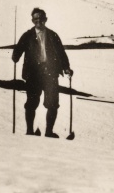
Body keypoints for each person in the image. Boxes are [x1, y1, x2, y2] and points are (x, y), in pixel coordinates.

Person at [11, 8, 72, 138]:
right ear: (32, 20)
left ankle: (49, 132)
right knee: (31, 103)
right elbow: (18, 50)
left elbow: (61, 53)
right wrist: (15, 56)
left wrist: (66, 67)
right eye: (35, 19)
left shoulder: (53, 35)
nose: (38, 21)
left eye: (41, 18)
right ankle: (29, 131)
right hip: (33, 74)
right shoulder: (27, 35)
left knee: (53, 103)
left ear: (45, 19)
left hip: (50, 73)